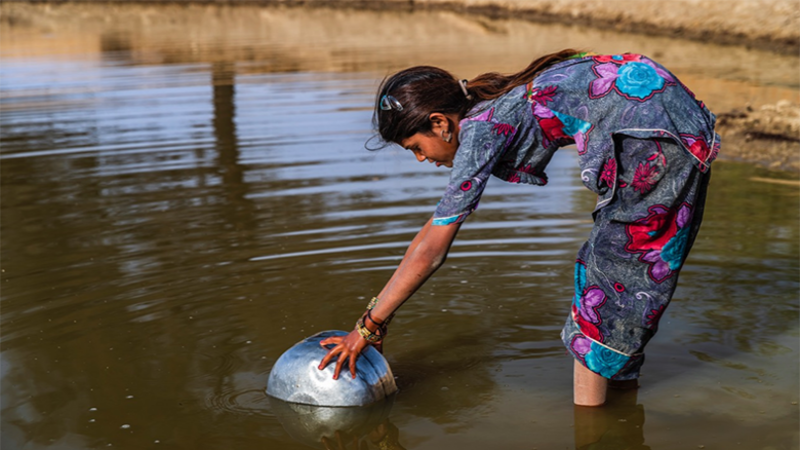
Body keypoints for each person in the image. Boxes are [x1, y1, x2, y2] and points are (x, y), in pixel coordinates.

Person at [318, 49, 719, 407]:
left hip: (651, 133)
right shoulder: (493, 108)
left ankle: (591, 428)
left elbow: (432, 250)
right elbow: (432, 231)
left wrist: (367, 328)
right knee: (631, 277)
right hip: (672, 119)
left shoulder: (479, 129)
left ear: (439, 123)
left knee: (607, 281)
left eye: (417, 148)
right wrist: (372, 322)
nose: (422, 159)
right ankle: (621, 406)